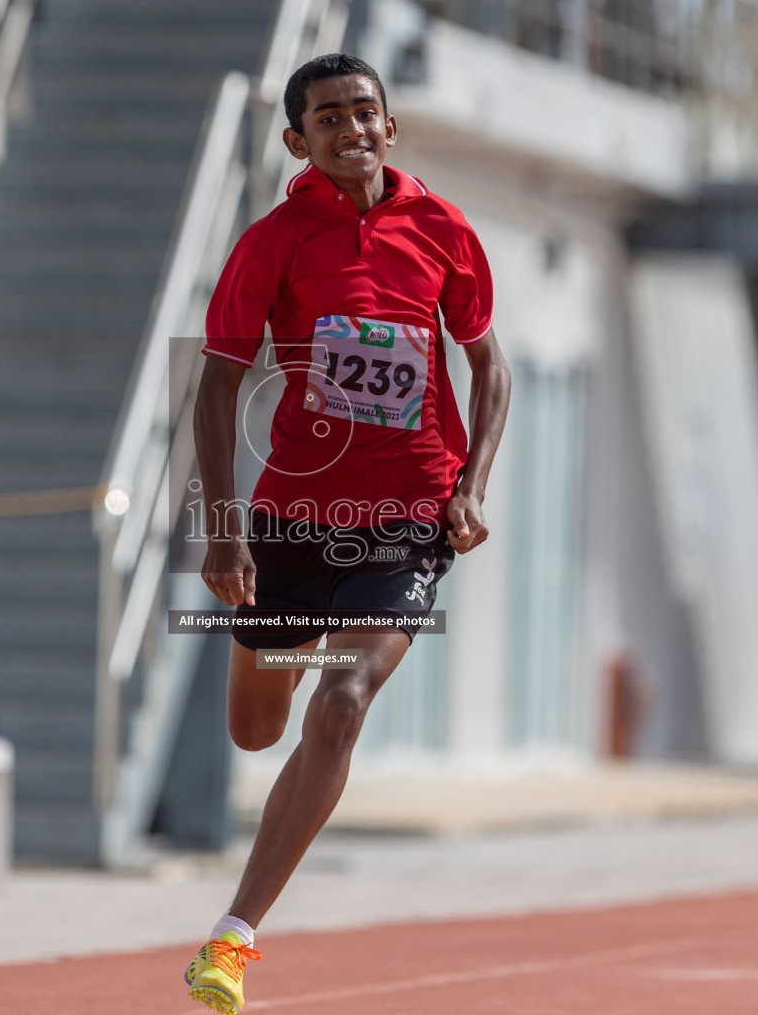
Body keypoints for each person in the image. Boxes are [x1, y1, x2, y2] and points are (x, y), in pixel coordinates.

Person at [183, 53, 510, 1013]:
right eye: (329, 119)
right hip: (292, 513)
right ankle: (266, 654)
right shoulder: (274, 241)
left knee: (343, 703)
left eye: (365, 112)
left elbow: (490, 367)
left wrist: (471, 485)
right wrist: (223, 528)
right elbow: (216, 382)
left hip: (409, 516)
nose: (351, 129)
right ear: (299, 141)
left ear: (389, 125)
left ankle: (232, 938)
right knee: (256, 730)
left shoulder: (443, 230)